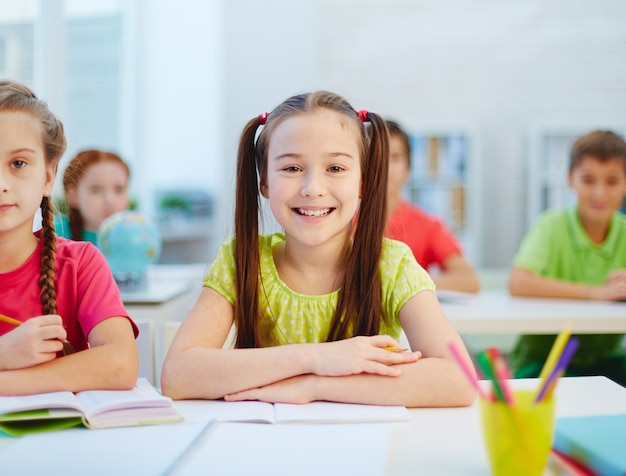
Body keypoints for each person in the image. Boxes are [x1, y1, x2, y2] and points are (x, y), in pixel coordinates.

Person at [161, 91, 476, 407]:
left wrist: (313, 386)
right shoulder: (241, 260)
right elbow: (177, 375)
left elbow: (460, 380)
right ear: (265, 182)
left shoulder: (392, 265)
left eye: (335, 169)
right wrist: (316, 357)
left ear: (363, 180)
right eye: (292, 168)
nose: (313, 188)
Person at [0, 79, 139, 395]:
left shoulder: (81, 263)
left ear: (48, 177)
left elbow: (120, 364)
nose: (1, 184)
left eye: (18, 163)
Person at [508, 129, 626, 386]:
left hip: (608, 359)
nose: (599, 192)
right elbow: (518, 282)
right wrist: (595, 293)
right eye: (588, 180)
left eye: (612, 181)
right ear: (569, 178)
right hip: (543, 359)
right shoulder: (550, 225)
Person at [384, 120, 480, 293]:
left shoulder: (428, 225)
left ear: (409, 169)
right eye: (376, 157)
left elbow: (468, 280)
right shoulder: (342, 222)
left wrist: (405, 283)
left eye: (396, 158)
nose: (385, 167)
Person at [54, 149, 130, 244]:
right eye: (96, 189)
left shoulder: (137, 237)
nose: (110, 200)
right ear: (73, 195)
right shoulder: (54, 233)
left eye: (119, 189)